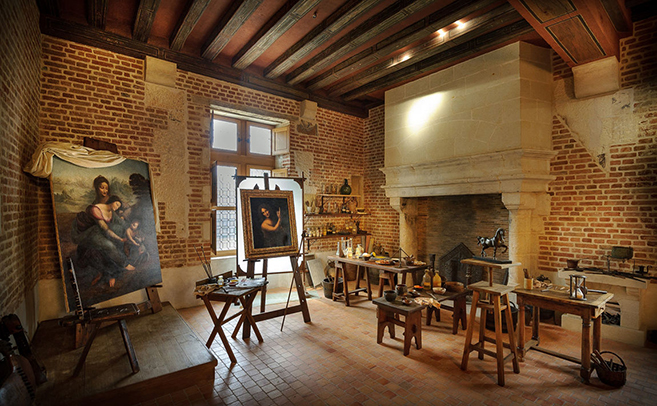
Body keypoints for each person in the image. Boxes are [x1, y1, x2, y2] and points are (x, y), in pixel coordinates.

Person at [72, 195, 132, 287]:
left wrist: (128, 228)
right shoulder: (96, 209)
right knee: (109, 247)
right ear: (112, 201)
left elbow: (120, 222)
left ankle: (112, 273)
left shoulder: (111, 211)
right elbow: (105, 228)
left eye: (118, 206)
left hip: (100, 234)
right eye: (116, 204)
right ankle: (123, 265)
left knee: (115, 237)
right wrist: (119, 238)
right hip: (92, 234)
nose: (117, 207)